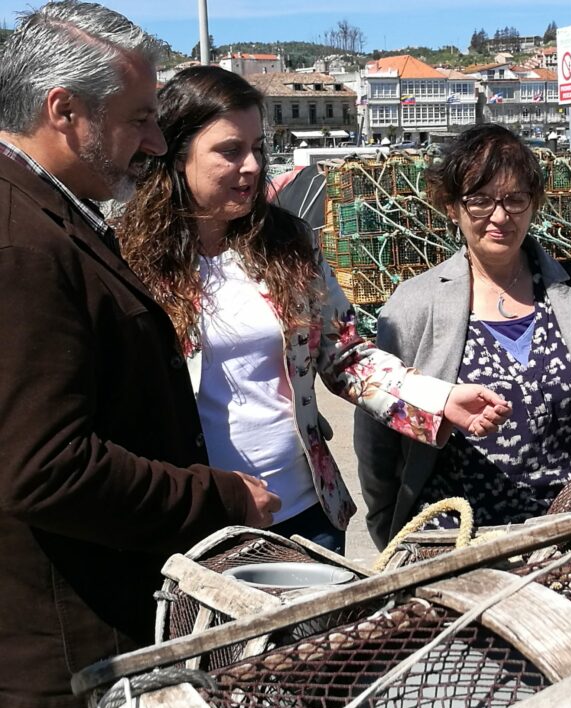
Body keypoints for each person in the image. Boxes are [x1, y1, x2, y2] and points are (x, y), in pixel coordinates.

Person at [0, 3, 281, 708]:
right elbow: (43, 469)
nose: (156, 141)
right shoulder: (22, 243)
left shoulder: (43, 216)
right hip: (66, 653)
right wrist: (219, 497)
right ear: (64, 111)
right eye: (138, 119)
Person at [119, 67, 509, 555]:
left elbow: (345, 354)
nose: (253, 166)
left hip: (306, 511)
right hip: (197, 524)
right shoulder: (128, 259)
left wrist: (437, 398)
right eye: (229, 150)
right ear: (177, 156)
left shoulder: (289, 244)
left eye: (258, 148)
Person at [355, 124, 571, 549]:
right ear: (452, 207)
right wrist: (390, 526)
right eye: (480, 200)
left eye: (515, 199)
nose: (499, 216)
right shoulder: (413, 306)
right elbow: (377, 435)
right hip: (458, 542)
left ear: (534, 204)